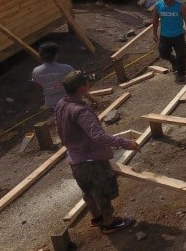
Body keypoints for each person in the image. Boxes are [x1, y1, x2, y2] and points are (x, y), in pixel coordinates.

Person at [55, 71, 139, 233]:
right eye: (87, 83)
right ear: (81, 88)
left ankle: (97, 218)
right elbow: (98, 136)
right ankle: (109, 223)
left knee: (88, 191)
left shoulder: (61, 104)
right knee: (102, 192)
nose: (89, 85)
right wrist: (125, 143)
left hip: (75, 158)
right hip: (91, 159)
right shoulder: (81, 112)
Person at [152, 0, 186, 83]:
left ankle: (181, 74)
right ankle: (174, 61)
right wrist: (154, 33)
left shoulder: (181, 6)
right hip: (164, 35)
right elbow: (155, 20)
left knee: (182, 55)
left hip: (178, 35)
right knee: (163, 53)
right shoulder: (158, 6)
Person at [32, 43, 80, 110]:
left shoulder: (36, 71)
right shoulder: (66, 68)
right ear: (56, 55)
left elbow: (38, 86)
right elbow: (77, 81)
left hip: (50, 103)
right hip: (69, 100)